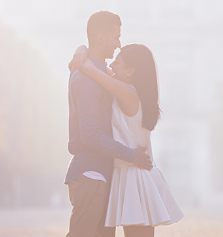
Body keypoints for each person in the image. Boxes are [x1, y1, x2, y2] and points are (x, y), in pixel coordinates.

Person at [70, 42, 183, 237]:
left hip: (133, 173)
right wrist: (81, 48)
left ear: (130, 71)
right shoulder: (133, 92)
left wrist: (82, 53)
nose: (112, 65)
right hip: (132, 171)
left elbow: (90, 68)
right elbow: (99, 68)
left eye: (117, 62)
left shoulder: (128, 92)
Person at [65, 11, 153, 237]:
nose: (119, 43)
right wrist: (131, 154)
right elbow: (91, 135)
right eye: (116, 37)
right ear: (101, 38)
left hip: (102, 176)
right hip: (91, 174)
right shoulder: (86, 77)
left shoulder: (98, 73)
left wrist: (81, 51)